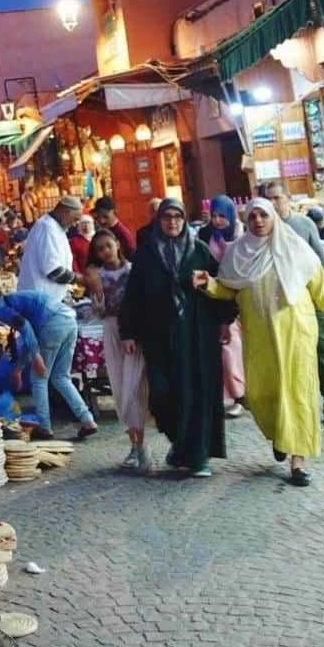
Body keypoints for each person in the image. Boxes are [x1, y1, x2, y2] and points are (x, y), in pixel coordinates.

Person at [194, 198, 324, 488]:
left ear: (273, 218)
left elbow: (323, 291)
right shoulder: (238, 255)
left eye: (263, 215)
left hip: (297, 335)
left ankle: (298, 459)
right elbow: (227, 289)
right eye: (253, 216)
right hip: (260, 340)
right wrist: (208, 283)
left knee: (297, 394)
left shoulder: (296, 250)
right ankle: (280, 435)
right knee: (260, 394)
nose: (258, 221)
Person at [118, 199, 236, 478]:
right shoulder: (147, 254)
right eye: (167, 217)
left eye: (177, 217)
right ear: (159, 221)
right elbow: (133, 295)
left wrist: (224, 320)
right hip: (159, 335)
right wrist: (128, 332)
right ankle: (179, 444)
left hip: (196, 333)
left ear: (184, 220)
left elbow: (220, 288)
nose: (172, 222)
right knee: (162, 395)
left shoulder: (200, 251)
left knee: (196, 393)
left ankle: (198, 457)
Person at [265, 182, 324, 421]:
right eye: (268, 199)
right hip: (281, 302)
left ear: (288, 198)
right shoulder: (262, 228)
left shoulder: (304, 224)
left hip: (311, 296)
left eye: (277, 198)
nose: (273, 204)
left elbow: (321, 259)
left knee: (322, 343)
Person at [0, 286, 98, 441]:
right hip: (69, 321)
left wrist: (36, 357)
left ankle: (44, 426)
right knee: (61, 377)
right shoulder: (13, 300)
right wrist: (20, 368)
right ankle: (88, 421)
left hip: (52, 325)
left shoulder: (2, 308)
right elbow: (30, 335)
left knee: (39, 379)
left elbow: (26, 328)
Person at [86, 228, 150, 472]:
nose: (104, 252)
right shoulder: (97, 275)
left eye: (107, 246)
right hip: (111, 332)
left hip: (132, 334)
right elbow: (99, 310)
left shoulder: (132, 271)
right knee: (120, 389)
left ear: (117, 245)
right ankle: (134, 445)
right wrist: (97, 289)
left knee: (133, 389)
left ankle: (141, 447)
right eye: (99, 249)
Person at [197, 195, 246, 419]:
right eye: (214, 215)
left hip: (245, 296)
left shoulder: (242, 234)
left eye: (221, 216)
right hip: (218, 298)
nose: (217, 221)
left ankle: (247, 392)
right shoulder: (206, 235)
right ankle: (237, 395)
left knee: (244, 347)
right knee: (229, 348)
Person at [17, 195, 85, 302]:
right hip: (40, 299)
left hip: (48, 299)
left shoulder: (56, 227)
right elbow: (53, 271)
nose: (76, 223)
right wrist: (79, 279)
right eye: (75, 219)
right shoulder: (47, 228)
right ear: (65, 213)